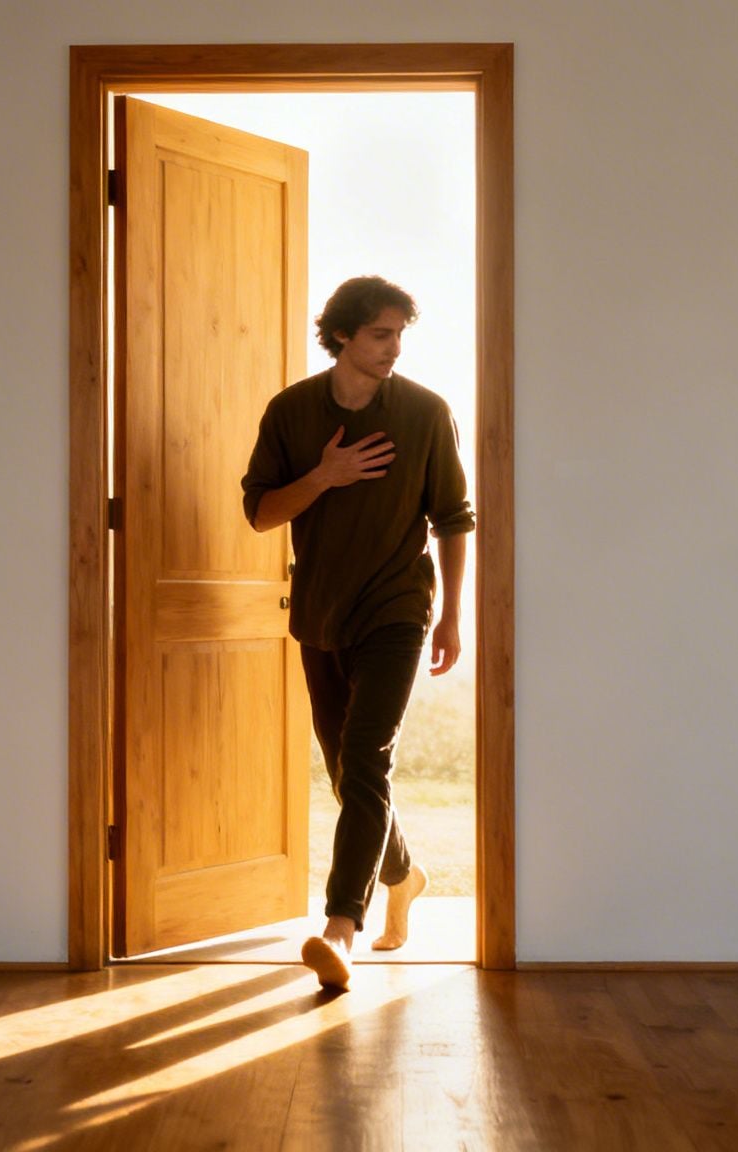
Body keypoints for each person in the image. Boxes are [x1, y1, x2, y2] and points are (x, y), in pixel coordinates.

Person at [240, 275, 475, 991]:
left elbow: (455, 518)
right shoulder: (291, 413)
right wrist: (326, 475)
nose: (394, 347)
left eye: (401, 333)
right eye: (381, 333)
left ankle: (339, 927)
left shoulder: (427, 413)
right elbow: (260, 514)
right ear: (342, 334)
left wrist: (452, 614)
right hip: (319, 612)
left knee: (367, 758)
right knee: (347, 769)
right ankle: (401, 876)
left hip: (397, 609)